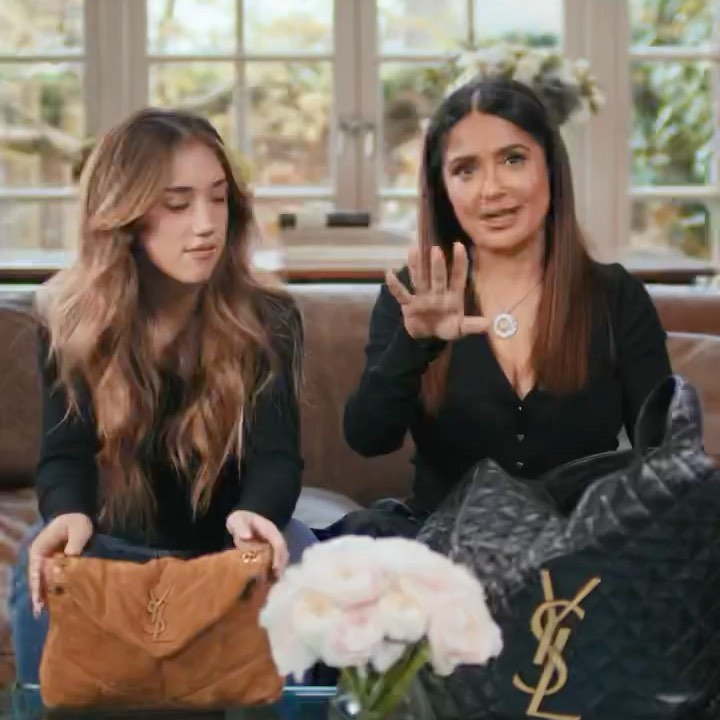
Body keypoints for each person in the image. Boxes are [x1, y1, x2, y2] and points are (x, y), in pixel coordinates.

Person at [10, 107, 316, 686]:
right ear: (124, 215)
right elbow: (64, 455)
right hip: (112, 546)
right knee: (37, 556)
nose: (205, 224)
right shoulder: (67, 317)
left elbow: (277, 456)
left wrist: (258, 514)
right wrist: (68, 514)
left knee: (297, 549)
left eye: (218, 199)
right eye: (177, 204)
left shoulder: (272, 317)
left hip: (228, 549)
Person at [340, 76, 672, 537]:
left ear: (550, 167)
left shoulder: (615, 296)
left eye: (513, 159)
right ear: (443, 188)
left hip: (577, 548)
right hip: (442, 548)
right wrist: (415, 345)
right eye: (466, 170)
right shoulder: (414, 294)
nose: (491, 189)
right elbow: (369, 438)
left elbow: (664, 455)